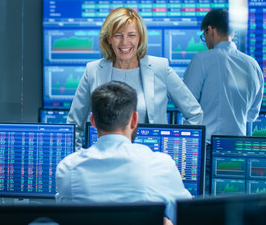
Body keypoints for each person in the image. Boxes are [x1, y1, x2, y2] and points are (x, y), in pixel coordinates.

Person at [67, 7, 203, 150]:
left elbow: (195, 114)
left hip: (149, 164)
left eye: (131, 35)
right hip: (104, 162)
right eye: (118, 35)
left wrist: (175, 148)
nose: (125, 42)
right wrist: (79, 156)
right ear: (109, 39)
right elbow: (74, 124)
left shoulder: (160, 68)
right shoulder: (93, 70)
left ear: (140, 38)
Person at [56, 81, 191, 224]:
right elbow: (187, 216)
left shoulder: (68, 168)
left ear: (93, 121)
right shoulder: (160, 165)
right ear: (134, 120)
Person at [183, 9, 264, 144]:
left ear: (210, 30)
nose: (205, 40)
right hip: (238, 149)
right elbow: (252, 115)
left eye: (204, 35)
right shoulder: (253, 65)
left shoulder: (202, 60)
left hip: (206, 147)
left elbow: (186, 104)